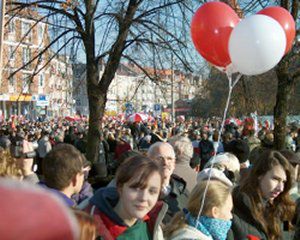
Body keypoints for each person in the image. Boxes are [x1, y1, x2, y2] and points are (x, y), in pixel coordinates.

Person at [85, 155, 166, 239]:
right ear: (120, 188)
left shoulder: (152, 226)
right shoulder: (87, 228)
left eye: (152, 191)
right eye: (136, 188)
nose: (144, 198)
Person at [228, 149, 295, 240]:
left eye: (283, 182)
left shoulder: (283, 209)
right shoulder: (235, 206)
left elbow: (287, 232)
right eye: (275, 179)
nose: (281, 188)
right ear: (260, 175)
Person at [164, 180, 233, 240]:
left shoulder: (184, 227)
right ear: (215, 212)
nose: (231, 216)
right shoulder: (193, 236)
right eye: (229, 210)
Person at [147, 142, 189, 223]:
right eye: (160, 158)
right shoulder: (139, 191)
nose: (165, 163)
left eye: (169, 159)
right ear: (148, 161)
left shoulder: (183, 192)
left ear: (174, 164)